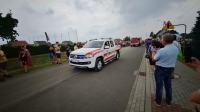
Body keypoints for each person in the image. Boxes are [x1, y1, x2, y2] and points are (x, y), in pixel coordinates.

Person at [152, 34, 179, 106]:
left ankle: (158, 102)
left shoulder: (162, 50)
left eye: (162, 39)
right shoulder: (176, 48)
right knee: (168, 86)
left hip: (160, 69)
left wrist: (154, 52)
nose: (161, 40)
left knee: (159, 86)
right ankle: (168, 101)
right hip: (170, 69)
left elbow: (154, 59)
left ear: (165, 41)